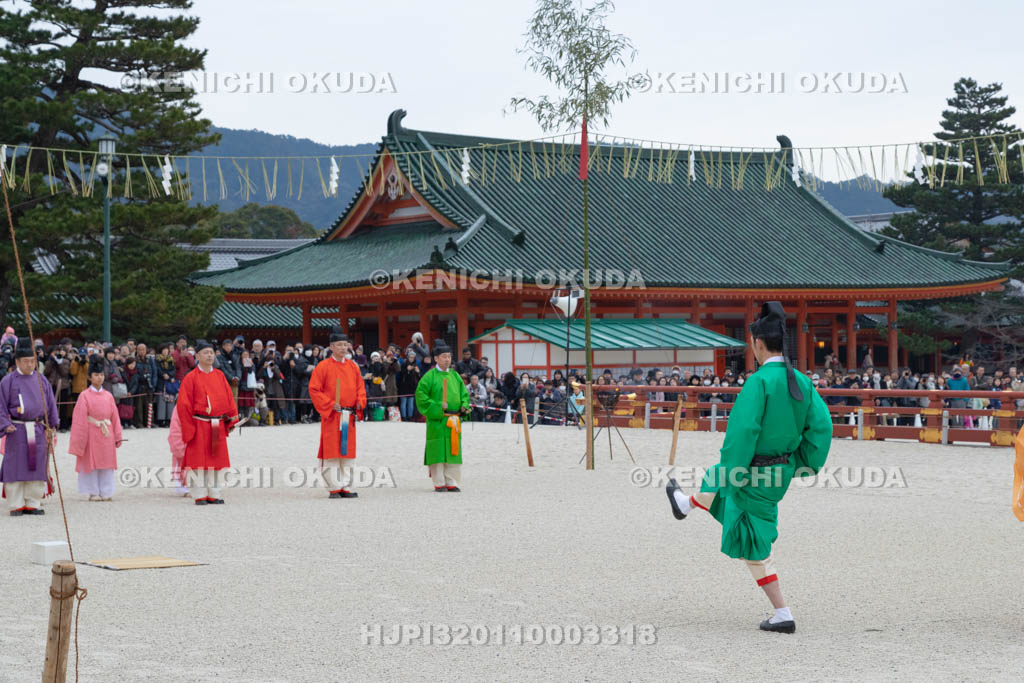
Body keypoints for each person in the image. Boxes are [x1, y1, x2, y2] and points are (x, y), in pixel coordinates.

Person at [665, 302, 832, 633]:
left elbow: (743, 431)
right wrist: (802, 463)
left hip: (753, 470)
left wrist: (734, 469)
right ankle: (684, 504)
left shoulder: (759, 382)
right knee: (716, 479)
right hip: (779, 471)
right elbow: (821, 427)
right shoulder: (802, 382)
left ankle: (782, 612)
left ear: (757, 343)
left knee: (752, 538)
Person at [0, 338, 60, 516]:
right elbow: (1, 406)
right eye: (25, 361)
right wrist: (5, 424)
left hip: (37, 427)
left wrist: (52, 424)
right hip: (17, 429)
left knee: (36, 465)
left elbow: (50, 404)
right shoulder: (8, 381)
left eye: (32, 361)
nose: (29, 364)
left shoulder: (42, 380)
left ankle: (33, 502)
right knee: (15, 465)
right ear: (17, 362)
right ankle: (16, 503)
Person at [175, 340, 239, 505]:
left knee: (216, 459)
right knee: (198, 460)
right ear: (197, 356)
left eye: (211, 352)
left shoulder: (220, 375)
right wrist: (189, 428)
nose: (209, 355)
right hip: (199, 424)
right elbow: (183, 405)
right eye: (205, 352)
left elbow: (229, 399)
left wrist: (231, 419)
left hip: (217, 424)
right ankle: (199, 494)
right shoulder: (190, 377)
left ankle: (214, 493)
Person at [308, 327, 366, 499]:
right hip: (333, 414)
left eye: (345, 344)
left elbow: (360, 388)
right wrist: (330, 404)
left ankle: (347, 486)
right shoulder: (323, 366)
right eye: (339, 345)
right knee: (332, 450)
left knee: (348, 451)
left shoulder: (353, 366)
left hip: (349, 414)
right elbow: (314, 389)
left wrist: (360, 402)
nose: (343, 348)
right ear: (331, 347)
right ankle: (334, 486)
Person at [415, 339, 469, 492]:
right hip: (438, 419)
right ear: (436, 358)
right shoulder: (429, 376)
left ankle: (452, 481)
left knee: (453, 449)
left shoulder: (455, 376)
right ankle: (439, 482)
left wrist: (464, 405)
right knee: (437, 449)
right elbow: (421, 396)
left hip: (454, 419)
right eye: (444, 356)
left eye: (449, 356)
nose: (447, 359)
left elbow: (464, 394)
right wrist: (438, 406)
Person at [68, 356, 122, 501]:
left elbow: (115, 417)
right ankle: (92, 491)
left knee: (107, 462)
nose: (99, 378)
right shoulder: (84, 396)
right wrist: (79, 440)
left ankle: (106, 491)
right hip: (91, 432)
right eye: (96, 375)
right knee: (91, 462)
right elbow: (79, 420)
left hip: (106, 432)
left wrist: (118, 435)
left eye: (102, 375)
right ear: (90, 377)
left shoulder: (109, 395)